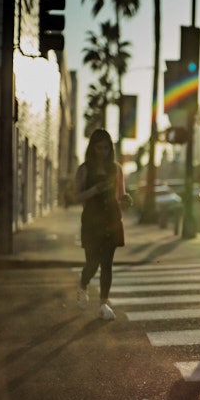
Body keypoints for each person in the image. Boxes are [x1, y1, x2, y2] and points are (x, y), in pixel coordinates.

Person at [74, 129, 131, 320]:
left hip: (112, 220)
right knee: (92, 262)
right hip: (91, 220)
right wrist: (94, 190)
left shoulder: (116, 169)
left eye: (107, 148)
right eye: (99, 147)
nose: (103, 152)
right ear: (92, 148)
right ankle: (83, 285)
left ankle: (103, 304)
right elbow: (76, 196)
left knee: (107, 264)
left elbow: (120, 194)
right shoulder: (84, 169)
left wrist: (125, 199)